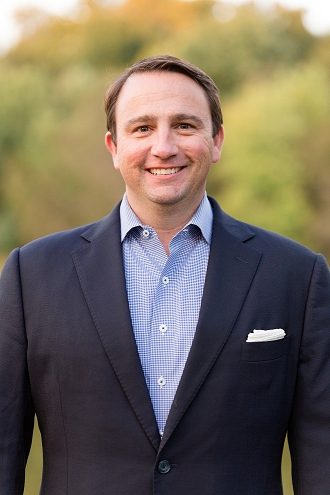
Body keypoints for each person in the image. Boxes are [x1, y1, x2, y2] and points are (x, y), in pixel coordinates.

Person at [0, 55, 330, 495]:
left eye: (185, 126)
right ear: (114, 148)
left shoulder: (298, 274)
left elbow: (322, 457)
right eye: (142, 128)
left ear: (216, 141)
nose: (164, 146)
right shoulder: (31, 275)